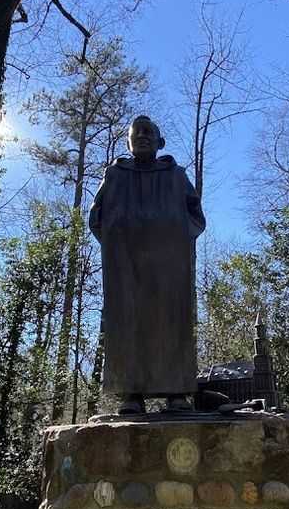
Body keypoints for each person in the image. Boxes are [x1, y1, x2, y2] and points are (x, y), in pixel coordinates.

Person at [88, 115, 206, 414]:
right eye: (136, 132)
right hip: (126, 267)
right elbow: (97, 217)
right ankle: (131, 394)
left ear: (158, 140)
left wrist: (171, 234)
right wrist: (121, 241)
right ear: (128, 141)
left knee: (172, 322)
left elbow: (195, 216)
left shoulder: (175, 175)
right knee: (127, 323)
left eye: (148, 132)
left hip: (169, 265)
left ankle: (176, 392)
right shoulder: (115, 175)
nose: (142, 136)